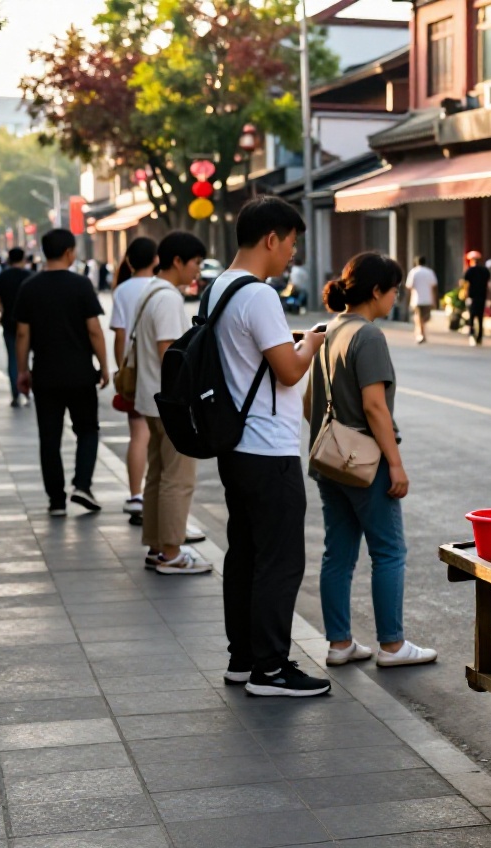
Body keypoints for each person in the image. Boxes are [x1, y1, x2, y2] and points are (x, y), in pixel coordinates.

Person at [209, 196, 330, 698]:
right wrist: (311, 344)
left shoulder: (218, 286)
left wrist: (290, 343)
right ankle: (271, 669)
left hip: (235, 446)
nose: (292, 255)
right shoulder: (259, 295)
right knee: (280, 561)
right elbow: (288, 369)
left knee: (244, 554)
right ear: (271, 239)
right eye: (291, 243)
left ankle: (243, 658)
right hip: (267, 447)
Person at [309, 253, 437, 668]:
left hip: (330, 459)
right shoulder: (368, 336)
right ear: (377, 291)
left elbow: (311, 401)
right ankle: (393, 646)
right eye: (394, 289)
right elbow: (375, 406)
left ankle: (340, 643)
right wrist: (395, 464)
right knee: (388, 552)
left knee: (339, 554)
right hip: (367, 462)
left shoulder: (328, 330)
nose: (396, 296)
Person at [15, 229, 110, 517]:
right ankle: (82, 485)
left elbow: (22, 334)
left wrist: (22, 371)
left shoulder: (29, 287)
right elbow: (94, 329)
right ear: (69, 252)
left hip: (45, 375)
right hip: (81, 374)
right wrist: (104, 366)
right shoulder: (80, 285)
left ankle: (56, 500)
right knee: (87, 430)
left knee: (50, 437)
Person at [134, 232, 212, 575]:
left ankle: (156, 546)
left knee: (159, 475)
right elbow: (171, 354)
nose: (197, 271)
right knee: (178, 479)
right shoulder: (167, 298)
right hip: (170, 403)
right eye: (195, 263)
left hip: (150, 399)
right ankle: (171, 552)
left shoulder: (149, 291)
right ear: (178, 261)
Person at [110, 238, 158, 518]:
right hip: (158, 370)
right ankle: (156, 497)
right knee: (162, 441)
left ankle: (135, 495)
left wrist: (121, 368)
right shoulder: (161, 288)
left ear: (128, 261)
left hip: (134, 370)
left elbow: (119, 334)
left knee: (138, 435)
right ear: (155, 260)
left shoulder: (122, 290)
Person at [0, 248, 32, 407]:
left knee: (13, 359)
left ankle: (16, 394)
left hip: (9, 323)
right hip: (29, 325)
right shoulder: (30, 277)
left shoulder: (1, 277)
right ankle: (27, 391)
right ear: (23, 259)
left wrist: (4, 310)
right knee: (28, 359)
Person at [459, 250, 491, 346]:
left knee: (472, 316)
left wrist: (465, 294)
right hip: (482, 296)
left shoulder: (470, 271)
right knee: (480, 317)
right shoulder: (485, 271)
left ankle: (472, 334)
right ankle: (480, 337)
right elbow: (488, 284)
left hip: (472, 296)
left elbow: (466, 284)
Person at [405, 256, 437, 344]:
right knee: (423, 317)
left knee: (420, 317)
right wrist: (434, 300)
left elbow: (409, 286)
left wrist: (408, 299)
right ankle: (421, 334)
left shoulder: (413, 272)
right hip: (427, 299)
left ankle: (420, 332)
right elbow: (434, 286)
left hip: (417, 299)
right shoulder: (429, 272)